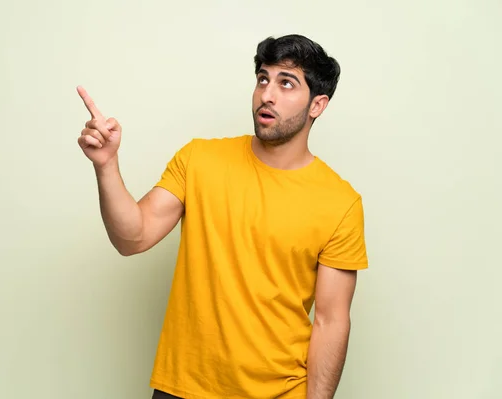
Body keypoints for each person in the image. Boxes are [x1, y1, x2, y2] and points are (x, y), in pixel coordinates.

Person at [76, 34, 369, 399]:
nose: (267, 94)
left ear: (317, 105)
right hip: (183, 388)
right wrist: (106, 165)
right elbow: (132, 237)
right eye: (263, 78)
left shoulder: (340, 203)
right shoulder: (200, 160)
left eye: (286, 83)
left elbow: (331, 321)